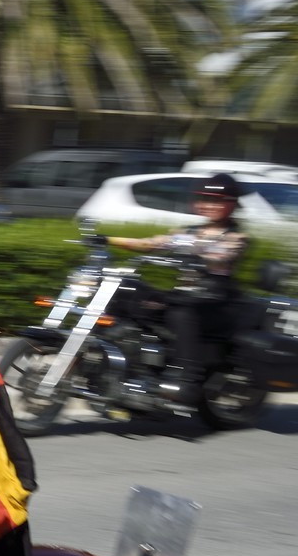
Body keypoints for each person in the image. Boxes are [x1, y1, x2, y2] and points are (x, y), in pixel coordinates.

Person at [107, 172, 249, 405]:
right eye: (205, 199)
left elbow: (222, 257)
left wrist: (198, 252)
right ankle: (123, 361)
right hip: (187, 297)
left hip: (214, 302)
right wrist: (107, 239)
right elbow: (150, 244)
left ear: (232, 204)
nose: (210, 205)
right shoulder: (189, 232)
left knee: (179, 311)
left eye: (218, 200)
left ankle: (188, 380)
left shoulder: (236, 237)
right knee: (126, 290)